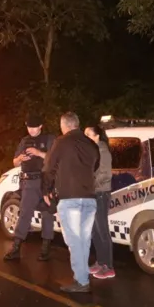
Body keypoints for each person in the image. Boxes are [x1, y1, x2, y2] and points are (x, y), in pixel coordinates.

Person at [42, 112, 99, 293]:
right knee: (83, 240)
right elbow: (95, 167)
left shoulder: (61, 142)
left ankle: (81, 281)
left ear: (64, 126)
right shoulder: (91, 144)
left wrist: (46, 190)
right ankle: (81, 277)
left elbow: (49, 167)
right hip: (89, 198)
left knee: (74, 240)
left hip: (70, 198)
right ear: (78, 124)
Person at [3, 113, 57, 261]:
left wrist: (38, 153)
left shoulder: (49, 139)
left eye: (34, 127)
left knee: (47, 213)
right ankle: (16, 248)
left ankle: (46, 248)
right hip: (29, 182)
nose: (31, 130)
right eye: (29, 127)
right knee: (25, 213)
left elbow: (55, 159)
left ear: (40, 126)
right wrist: (20, 159)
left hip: (45, 180)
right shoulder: (24, 141)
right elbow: (14, 162)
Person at [85, 125, 115, 279]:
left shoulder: (102, 150)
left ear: (97, 136)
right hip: (94, 193)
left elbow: (104, 174)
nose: (86, 137)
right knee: (95, 230)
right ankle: (100, 262)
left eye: (88, 134)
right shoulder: (93, 150)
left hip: (101, 193)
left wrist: (90, 185)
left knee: (102, 229)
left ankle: (108, 267)